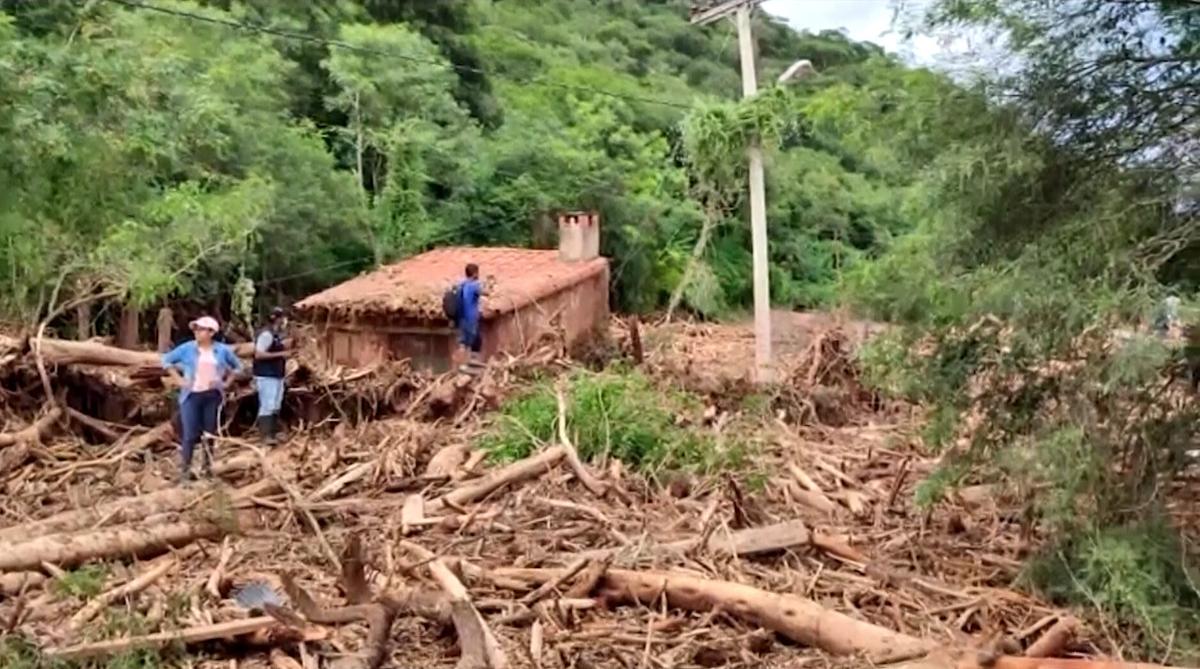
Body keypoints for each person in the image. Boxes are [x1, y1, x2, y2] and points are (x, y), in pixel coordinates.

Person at [162, 316, 242, 484]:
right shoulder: (187, 349)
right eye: (196, 329)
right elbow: (166, 360)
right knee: (189, 434)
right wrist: (179, 380)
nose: (197, 332)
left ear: (211, 332)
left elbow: (238, 366)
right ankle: (185, 471)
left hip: (212, 395)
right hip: (191, 395)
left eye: (201, 329)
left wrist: (226, 382)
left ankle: (207, 469)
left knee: (209, 433)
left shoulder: (221, 350)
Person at [253, 307, 291, 445]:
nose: (284, 321)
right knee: (267, 404)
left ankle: (273, 433)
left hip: (276, 374)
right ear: (278, 319)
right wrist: (281, 354)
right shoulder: (266, 335)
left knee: (275, 404)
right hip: (266, 375)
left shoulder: (275, 335)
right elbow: (259, 354)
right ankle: (265, 435)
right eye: (283, 318)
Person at [456, 263, 484, 371]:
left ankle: (465, 365)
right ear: (475, 273)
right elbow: (484, 292)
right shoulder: (474, 285)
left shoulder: (461, 284)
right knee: (471, 342)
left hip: (461, 318)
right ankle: (468, 365)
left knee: (467, 342)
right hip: (471, 318)